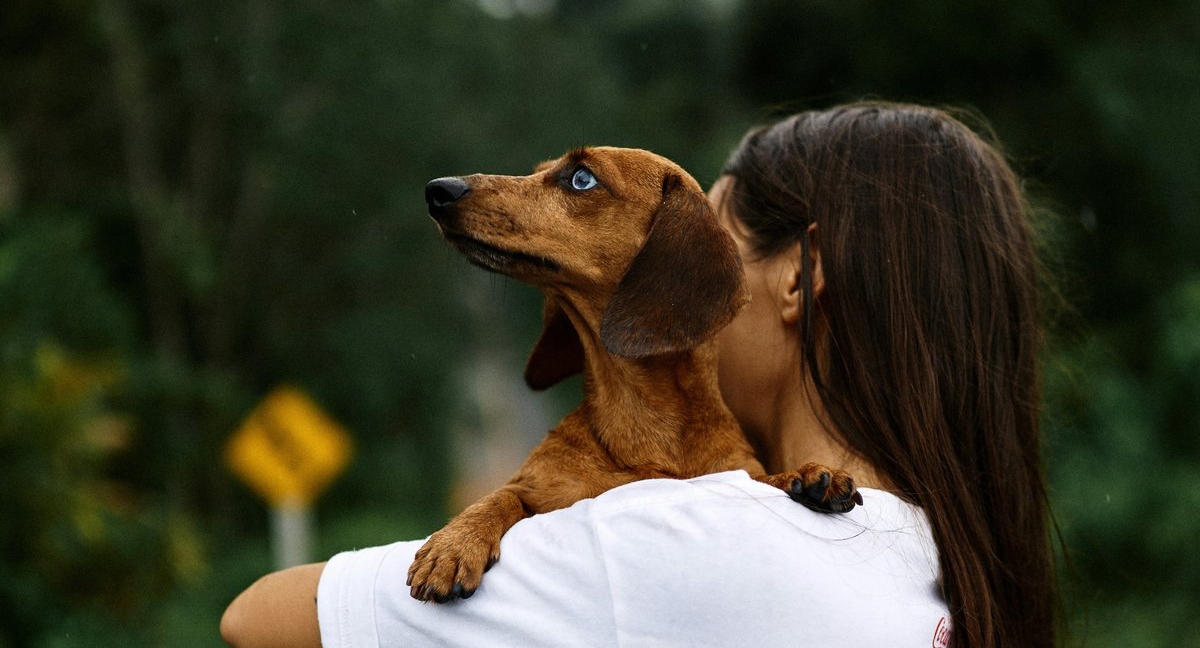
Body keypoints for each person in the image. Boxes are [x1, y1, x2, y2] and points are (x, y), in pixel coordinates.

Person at [221, 102, 1057, 648]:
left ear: (800, 278)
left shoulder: (675, 538)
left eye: (717, 249)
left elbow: (256, 619)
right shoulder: (939, 562)